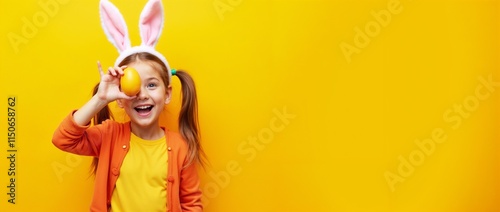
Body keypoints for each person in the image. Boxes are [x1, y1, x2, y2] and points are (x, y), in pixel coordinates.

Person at [52, 0, 205, 211]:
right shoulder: (109, 135)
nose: (142, 95)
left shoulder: (180, 147)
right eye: (133, 88)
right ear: (121, 100)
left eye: (151, 85)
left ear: (167, 94)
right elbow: (62, 140)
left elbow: (192, 204)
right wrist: (101, 99)